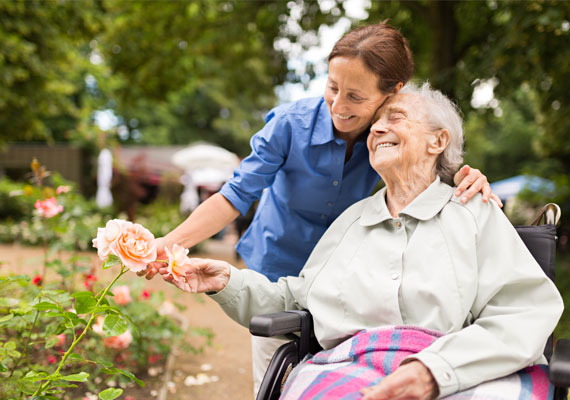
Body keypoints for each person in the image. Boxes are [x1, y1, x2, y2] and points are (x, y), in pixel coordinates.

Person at [140, 23, 502, 394]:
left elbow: (427, 161)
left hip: (344, 284)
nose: (339, 106)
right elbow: (235, 195)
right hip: (276, 268)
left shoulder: (386, 133)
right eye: (332, 88)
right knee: (274, 380)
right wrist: (167, 243)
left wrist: (464, 175)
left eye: (356, 97)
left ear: (392, 93)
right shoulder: (289, 125)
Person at [157, 83, 563, 399]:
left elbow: (524, 312)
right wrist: (227, 281)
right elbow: (297, 302)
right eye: (376, 124)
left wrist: (434, 371)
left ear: (438, 141)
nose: (379, 129)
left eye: (397, 117)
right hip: (349, 369)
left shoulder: (475, 213)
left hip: (459, 371)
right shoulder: (352, 221)